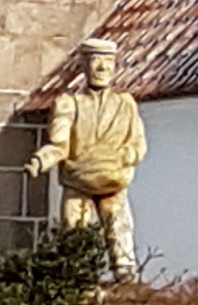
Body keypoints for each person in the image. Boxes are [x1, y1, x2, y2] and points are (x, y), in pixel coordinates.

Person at [29, 35, 147, 274]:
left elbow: (138, 142)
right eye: (95, 60)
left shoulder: (124, 103)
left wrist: (124, 156)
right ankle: (77, 278)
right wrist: (41, 159)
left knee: (119, 228)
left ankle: (124, 273)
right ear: (84, 65)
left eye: (108, 61)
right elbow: (59, 143)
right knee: (74, 233)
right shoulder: (69, 103)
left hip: (113, 179)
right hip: (78, 181)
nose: (102, 67)